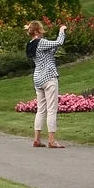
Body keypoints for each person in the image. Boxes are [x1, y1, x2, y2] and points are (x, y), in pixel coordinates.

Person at [27, 20, 68, 148]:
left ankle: (37, 139)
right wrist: (62, 31)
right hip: (49, 77)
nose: (43, 32)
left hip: (38, 77)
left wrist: (53, 47)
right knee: (52, 109)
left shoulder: (30, 44)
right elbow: (59, 42)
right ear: (36, 31)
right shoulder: (41, 42)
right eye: (41, 29)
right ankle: (52, 140)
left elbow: (48, 54)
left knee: (41, 110)